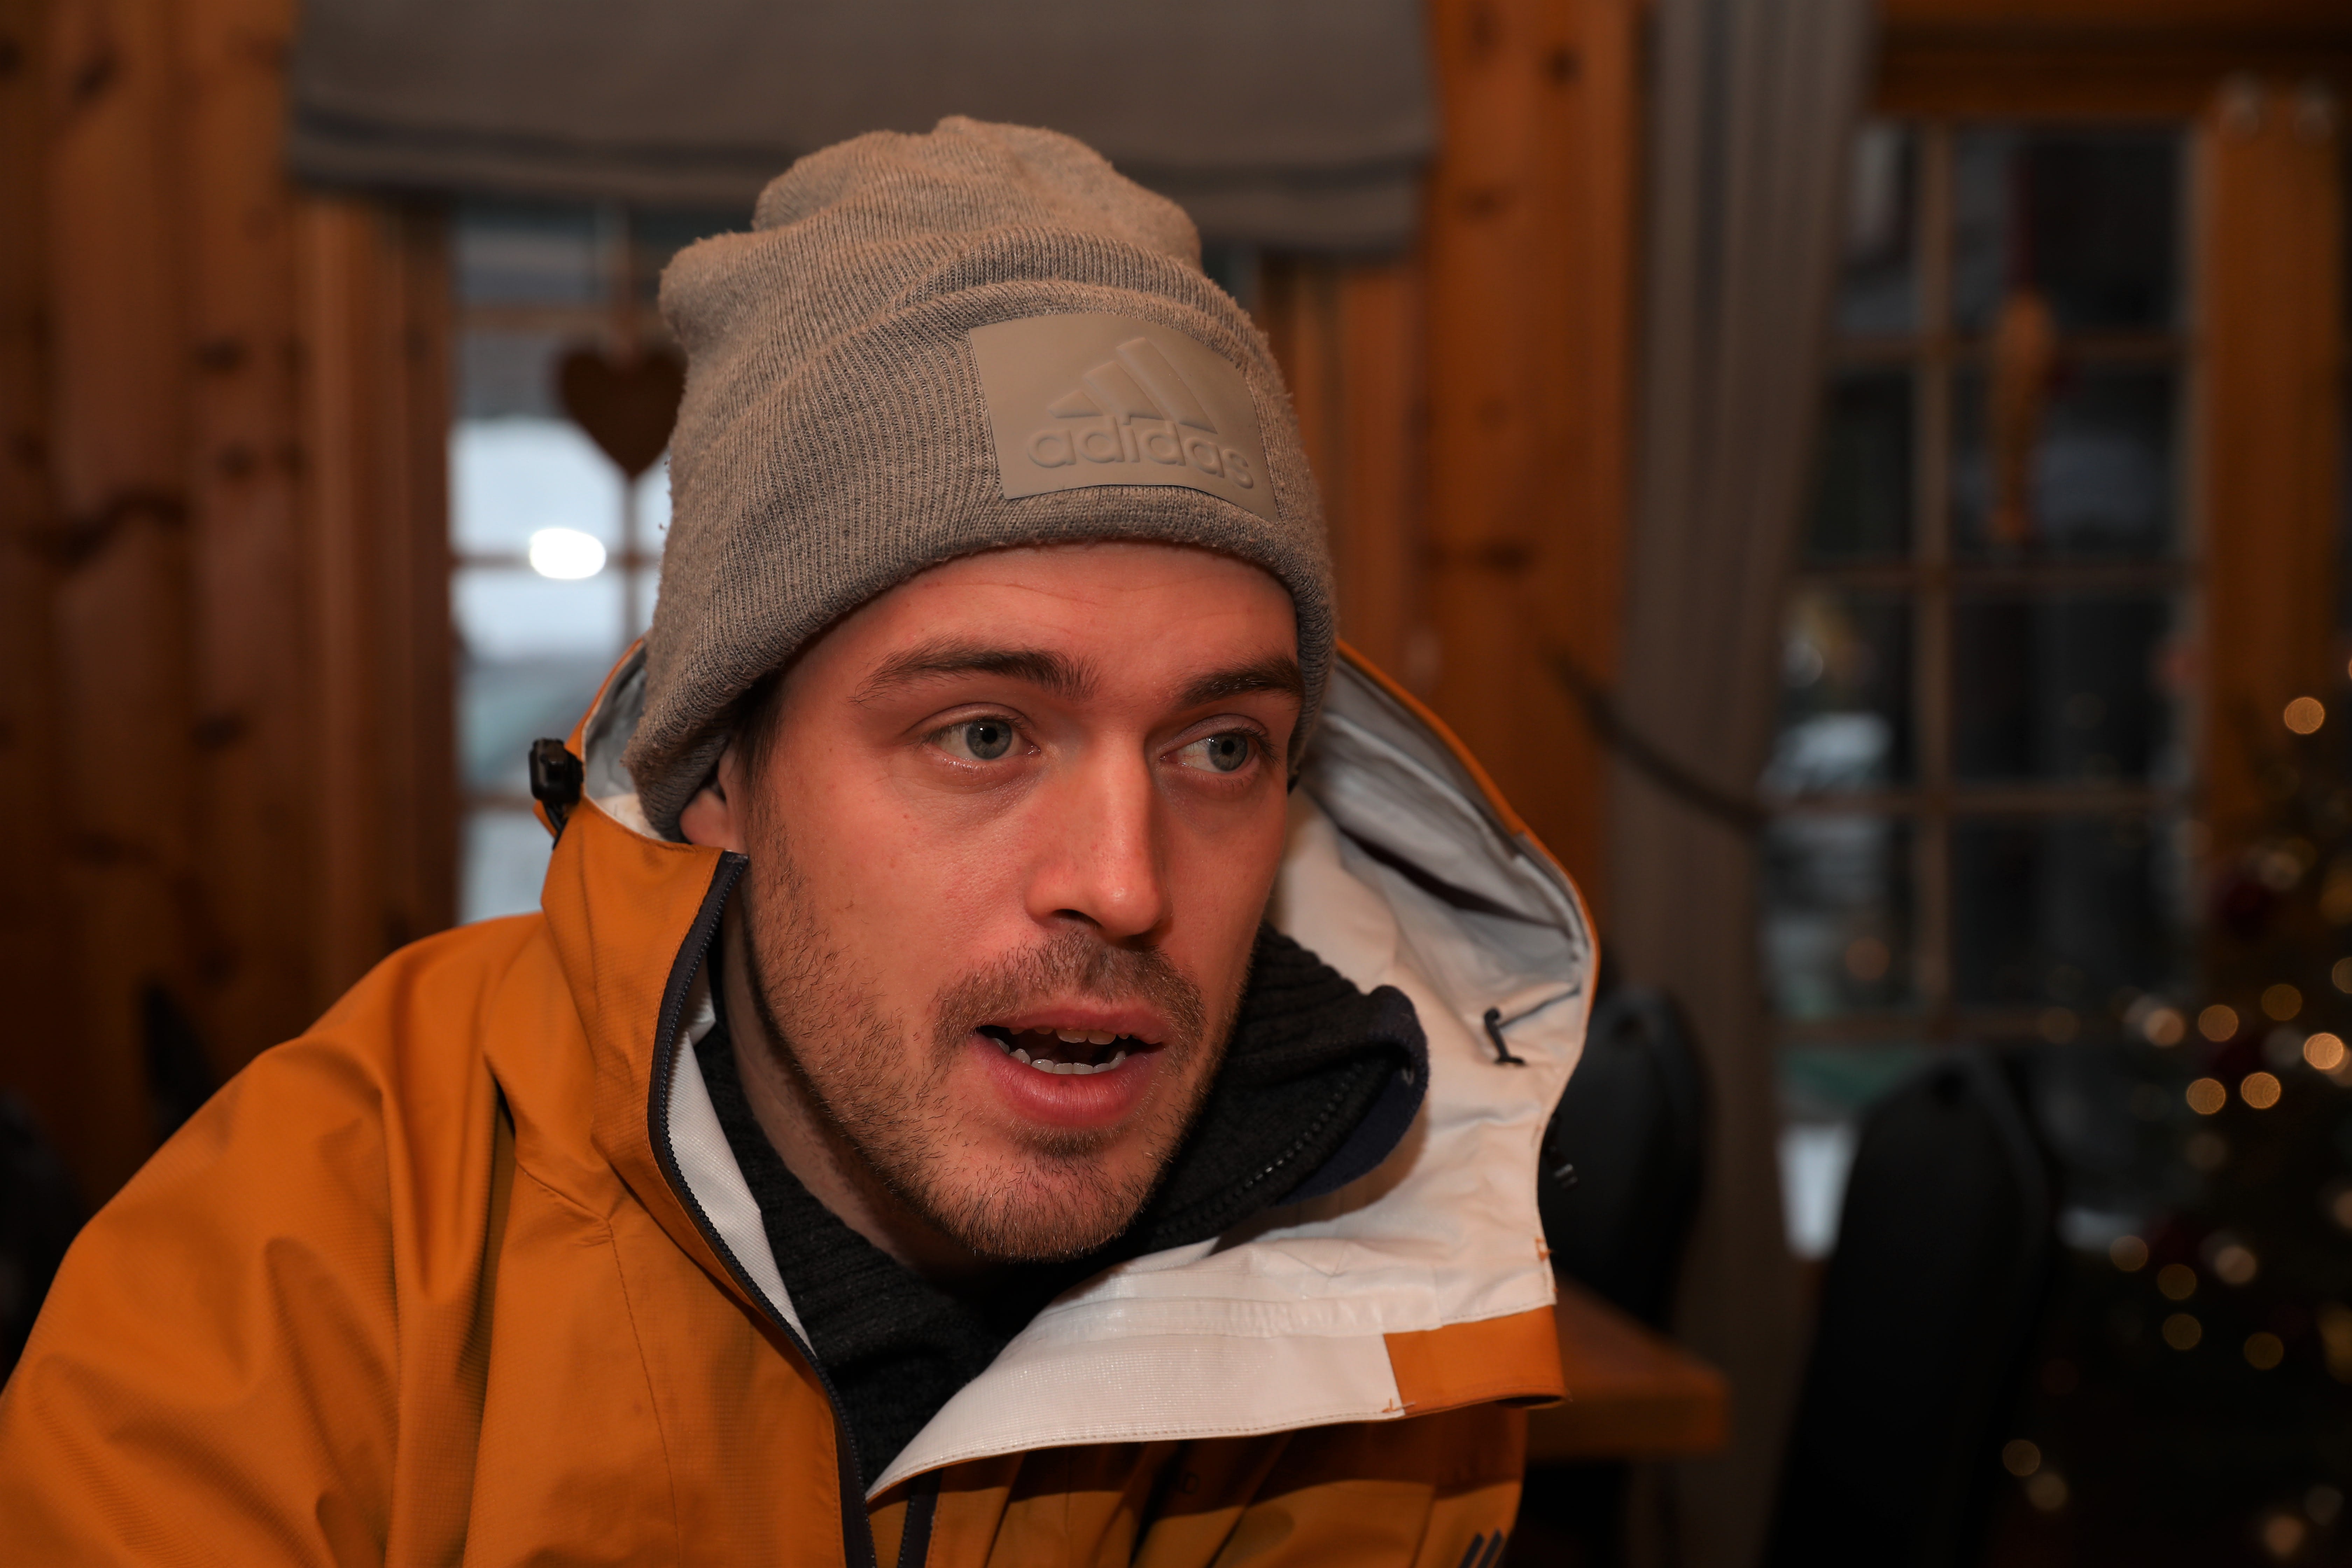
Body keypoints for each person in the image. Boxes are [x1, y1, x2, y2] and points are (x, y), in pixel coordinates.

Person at [0, 118, 1594, 1566]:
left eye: (1221, 747)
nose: (1124, 881)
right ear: (724, 776)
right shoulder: (305, 1265)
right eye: (984, 734)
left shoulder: (1386, 1311)